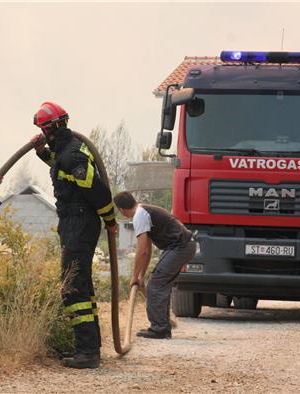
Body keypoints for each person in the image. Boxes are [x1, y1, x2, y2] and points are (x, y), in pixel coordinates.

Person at [30, 102, 117, 369]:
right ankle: (90, 348)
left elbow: (96, 190)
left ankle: (87, 352)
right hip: (73, 223)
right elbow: (60, 169)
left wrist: (110, 219)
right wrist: (41, 152)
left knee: (72, 287)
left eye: (44, 130)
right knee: (81, 285)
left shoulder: (73, 157)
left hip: (79, 223)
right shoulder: (67, 152)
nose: (42, 134)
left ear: (53, 127)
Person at [113, 191, 195, 339]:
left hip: (180, 246)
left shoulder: (139, 216)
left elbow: (142, 250)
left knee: (156, 285)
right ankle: (163, 326)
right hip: (182, 245)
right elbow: (148, 250)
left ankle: (159, 328)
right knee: (160, 284)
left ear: (121, 210)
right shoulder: (143, 211)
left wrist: (134, 276)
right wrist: (141, 276)